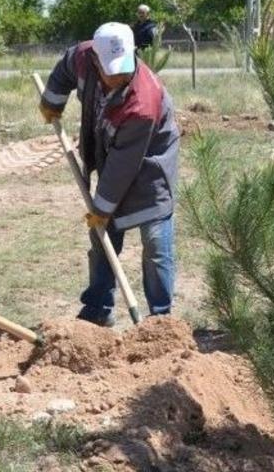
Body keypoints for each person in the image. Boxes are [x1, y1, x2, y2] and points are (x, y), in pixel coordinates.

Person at [40, 22, 179, 327]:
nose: (119, 76)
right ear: (95, 61)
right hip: (110, 157)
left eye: (124, 69)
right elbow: (64, 69)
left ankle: (161, 321)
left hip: (149, 169)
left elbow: (123, 166)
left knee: (155, 244)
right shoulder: (83, 56)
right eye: (111, 70)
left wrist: (102, 208)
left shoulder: (143, 103)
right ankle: (98, 310)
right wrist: (53, 101)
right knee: (103, 238)